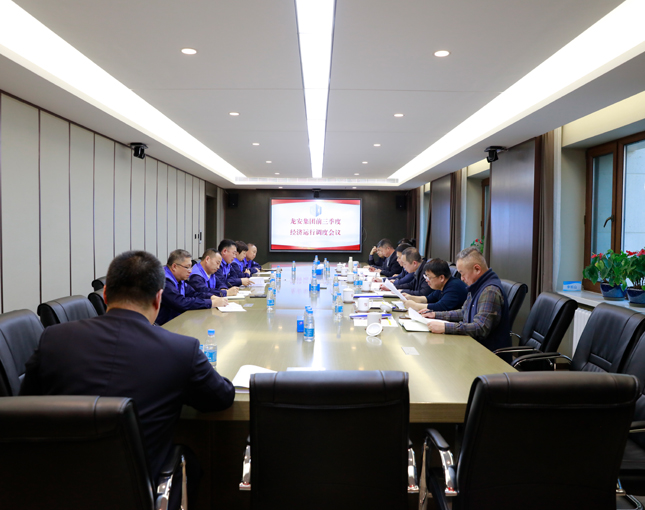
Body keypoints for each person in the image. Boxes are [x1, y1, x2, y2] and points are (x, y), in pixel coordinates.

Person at [20, 250, 236, 509]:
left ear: (105, 294)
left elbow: (24, 408)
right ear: (158, 298)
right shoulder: (181, 350)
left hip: (56, 487)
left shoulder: (53, 339)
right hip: (140, 491)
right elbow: (222, 398)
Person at [424, 247, 510, 353]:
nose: (461, 278)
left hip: (486, 354)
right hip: (471, 346)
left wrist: (446, 327)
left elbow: (480, 327)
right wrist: (435, 315)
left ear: (477, 269)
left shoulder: (490, 290)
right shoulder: (476, 285)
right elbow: (464, 312)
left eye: (462, 273)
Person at [157, 249, 228, 325]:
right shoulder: (164, 282)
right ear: (174, 266)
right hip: (163, 326)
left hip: (176, 322)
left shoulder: (180, 280)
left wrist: (211, 297)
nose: (190, 271)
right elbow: (181, 303)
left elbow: (194, 293)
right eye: (187, 267)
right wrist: (211, 303)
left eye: (190, 267)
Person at [403, 258, 468, 312]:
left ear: (441, 278)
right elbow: (429, 298)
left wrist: (415, 306)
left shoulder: (454, 287)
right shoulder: (442, 285)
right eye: (426, 276)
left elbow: (440, 307)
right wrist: (410, 297)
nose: (426, 280)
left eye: (429, 277)